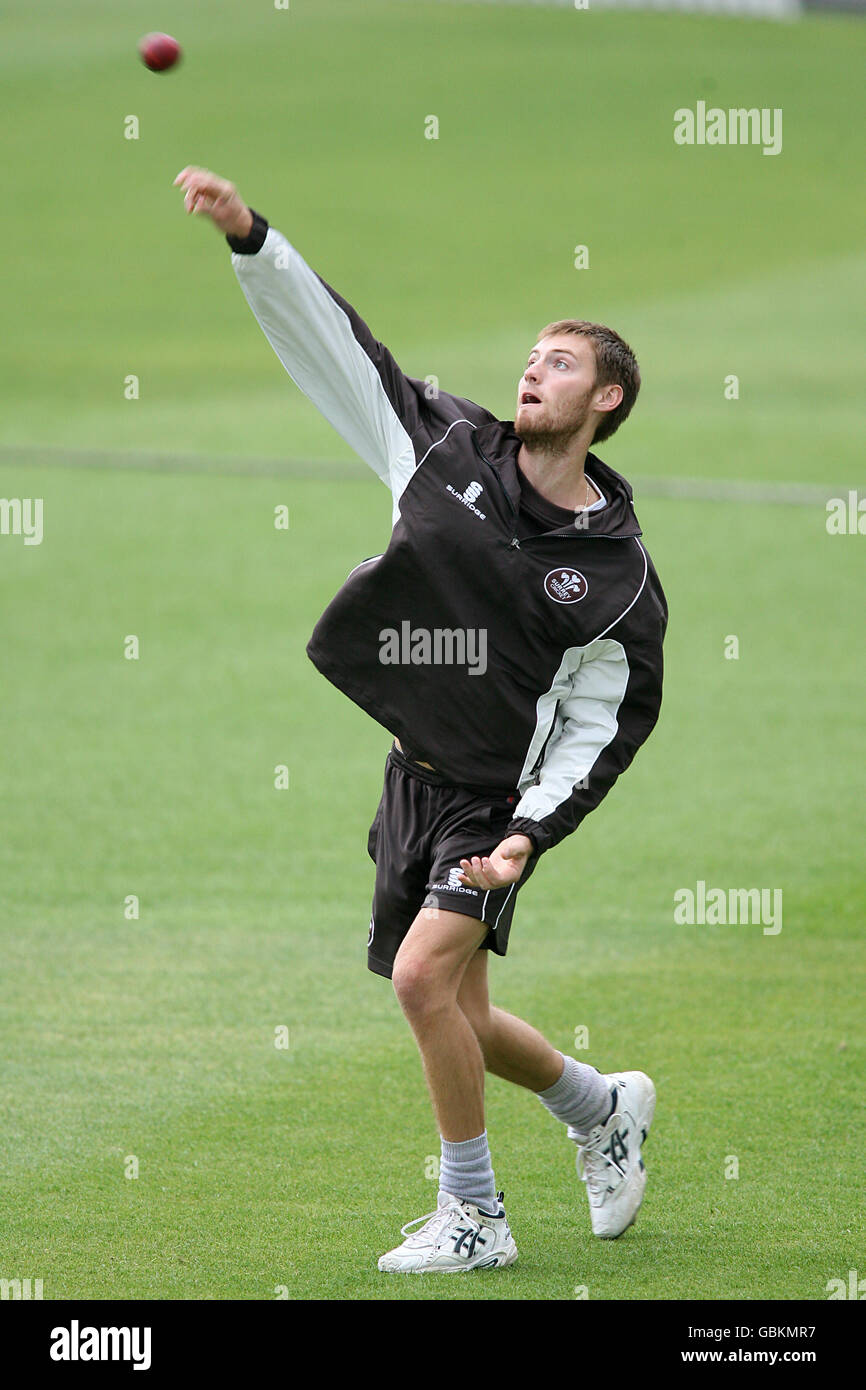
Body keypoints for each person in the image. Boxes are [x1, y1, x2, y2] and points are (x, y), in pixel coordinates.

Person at [174, 167, 669, 1273]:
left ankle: (474, 1215)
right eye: (532, 357)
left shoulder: (614, 578)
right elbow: (338, 350)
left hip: (494, 803)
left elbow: (605, 724)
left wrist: (524, 834)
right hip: (414, 775)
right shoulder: (444, 453)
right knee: (458, 1011)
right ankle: (601, 1106)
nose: (532, 372)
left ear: (606, 401)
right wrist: (253, 239)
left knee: (416, 979)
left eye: (562, 364)